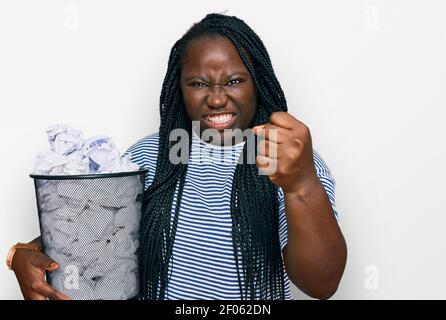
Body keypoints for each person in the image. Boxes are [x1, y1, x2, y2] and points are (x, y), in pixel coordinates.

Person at [8, 13, 347, 300]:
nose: (216, 99)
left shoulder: (289, 161)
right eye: (198, 83)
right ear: (178, 89)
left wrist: (301, 184)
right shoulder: (148, 155)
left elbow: (321, 283)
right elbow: (94, 232)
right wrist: (23, 254)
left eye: (234, 80)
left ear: (258, 84)